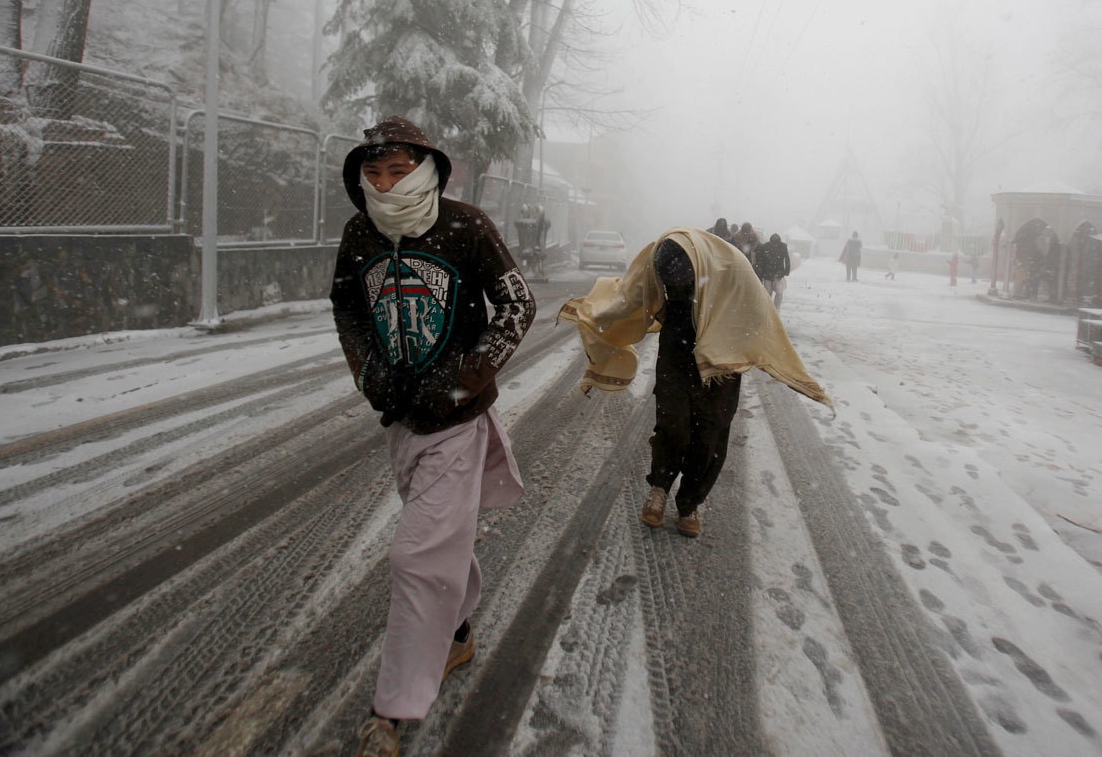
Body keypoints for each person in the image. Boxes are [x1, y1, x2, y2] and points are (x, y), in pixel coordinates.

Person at [329, 116, 537, 757]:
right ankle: (456, 633)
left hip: (456, 421)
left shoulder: (466, 225)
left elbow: (518, 303)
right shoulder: (360, 233)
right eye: (375, 172)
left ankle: (390, 712)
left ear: (426, 169)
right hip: (400, 419)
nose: (387, 183)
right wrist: (369, 374)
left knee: (416, 555)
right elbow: (346, 306)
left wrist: (465, 376)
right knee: (439, 533)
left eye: (399, 171)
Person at [558, 227, 830, 538]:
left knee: (710, 435)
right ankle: (659, 489)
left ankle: (690, 502)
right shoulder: (662, 255)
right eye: (671, 287)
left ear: (699, 270)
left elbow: (761, 316)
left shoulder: (734, 267)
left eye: (683, 285)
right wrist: (594, 314)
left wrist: (749, 351)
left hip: (723, 359)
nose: (678, 291)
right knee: (672, 424)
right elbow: (632, 296)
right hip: (677, 349)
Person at [754, 233, 791, 310]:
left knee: (779, 292)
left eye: (776, 244)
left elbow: (787, 260)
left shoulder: (783, 247)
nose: (774, 245)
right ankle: (769, 309)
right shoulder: (764, 247)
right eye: (773, 244)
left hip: (779, 274)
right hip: (767, 273)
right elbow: (761, 261)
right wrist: (761, 272)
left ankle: (776, 309)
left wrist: (786, 271)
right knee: (768, 293)